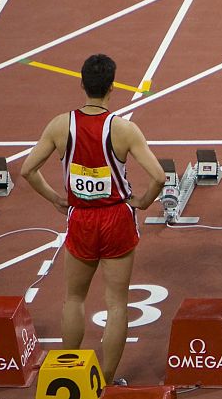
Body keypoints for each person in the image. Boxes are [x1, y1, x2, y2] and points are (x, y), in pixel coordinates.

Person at [20, 54, 165, 385]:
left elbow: (27, 170)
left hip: (81, 219)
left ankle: (69, 376)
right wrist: (141, 201)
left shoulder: (60, 125)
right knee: (116, 304)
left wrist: (57, 200)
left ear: (82, 84)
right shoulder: (124, 129)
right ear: (113, 88)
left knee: (74, 298)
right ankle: (108, 382)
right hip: (117, 218)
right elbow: (158, 176)